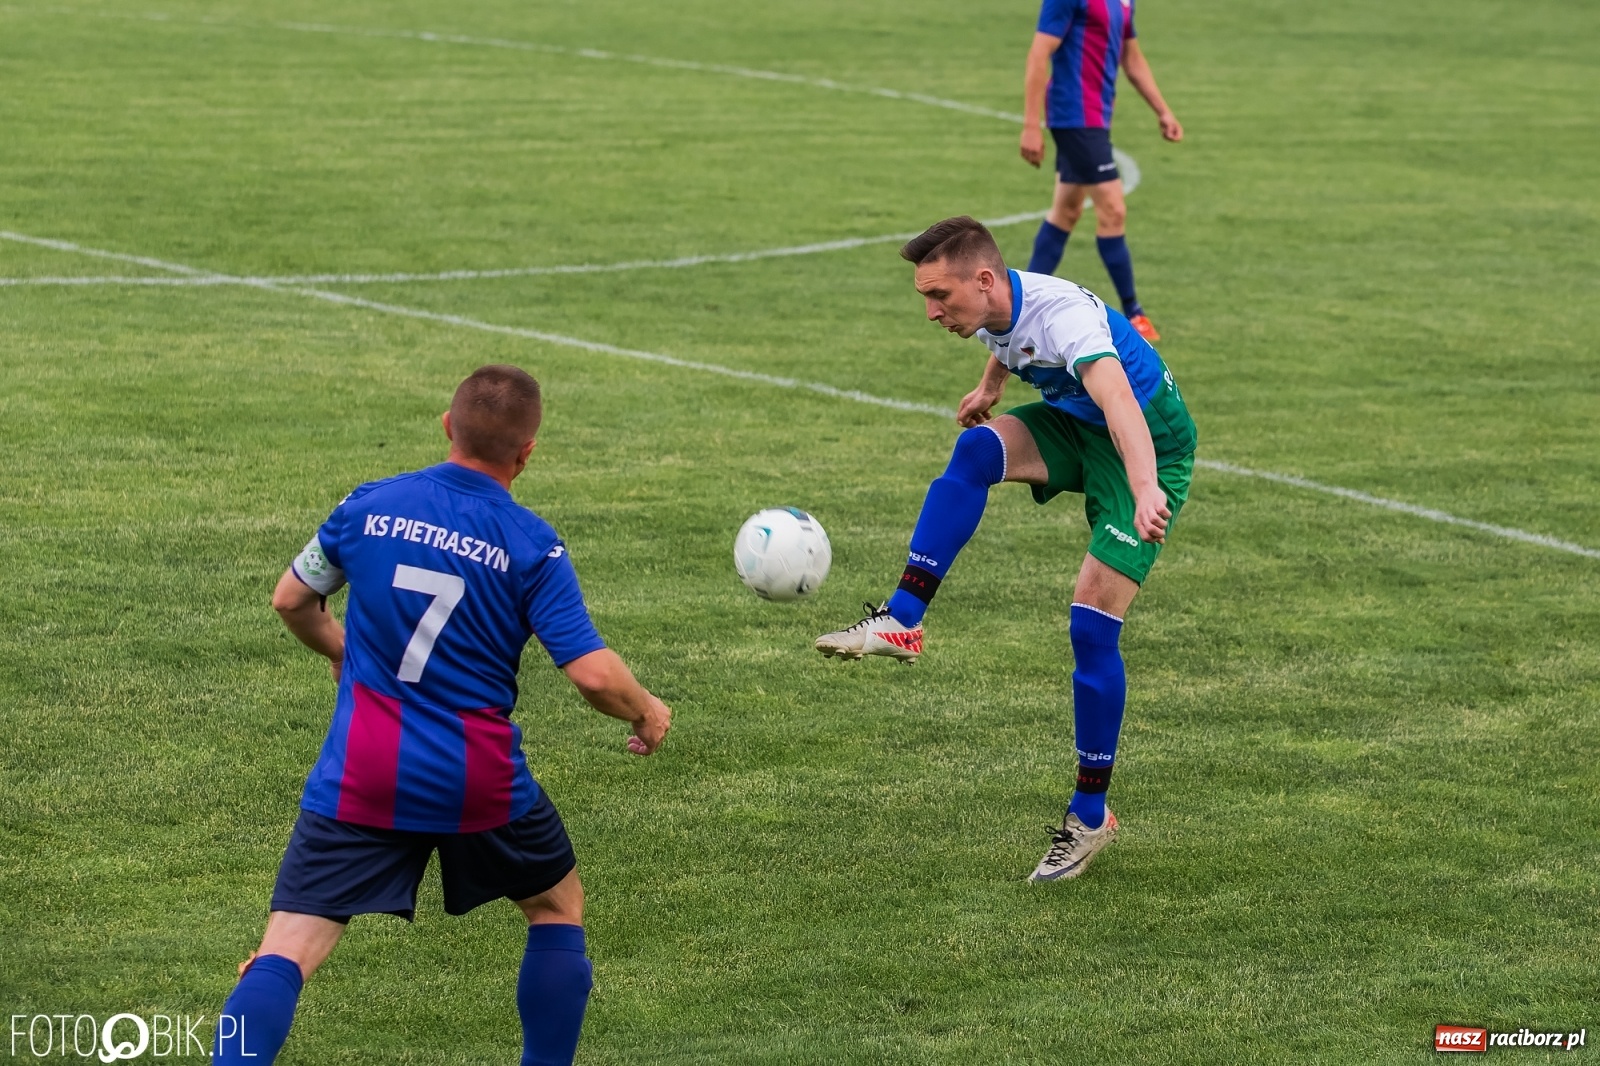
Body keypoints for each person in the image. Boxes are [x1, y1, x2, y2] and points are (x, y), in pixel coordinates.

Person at [213, 365, 672, 1066]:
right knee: (555, 908)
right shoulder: (532, 544)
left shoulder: (366, 506)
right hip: (477, 784)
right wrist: (644, 712)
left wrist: (345, 651)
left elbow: (290, 601)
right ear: (527, 454)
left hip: (362, 775)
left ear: (446, 426)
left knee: (288, 946)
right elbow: (593, 675)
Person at [815, 218, 1195, 882]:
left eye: (940, 297)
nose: (932, 312)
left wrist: (1143, 489)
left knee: (1091, 628)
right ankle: (903, 619)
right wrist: (991, 387)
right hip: (1079, 427)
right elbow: (1004, 335)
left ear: (984, 280)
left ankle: (1090, 815)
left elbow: (1119, 401)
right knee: (975, 452)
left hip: (1147, 450)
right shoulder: (994, 307)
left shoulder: (1065, 321)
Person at [1019, 0, 1183, 342]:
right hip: (1074, 114)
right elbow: (1038, 53)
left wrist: (1163, 110)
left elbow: (1131, 58)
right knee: (1113, 208)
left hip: (1096, 116)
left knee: (1066, 211)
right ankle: (1135, 313)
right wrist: (1031, 125)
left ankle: (1017, 308)